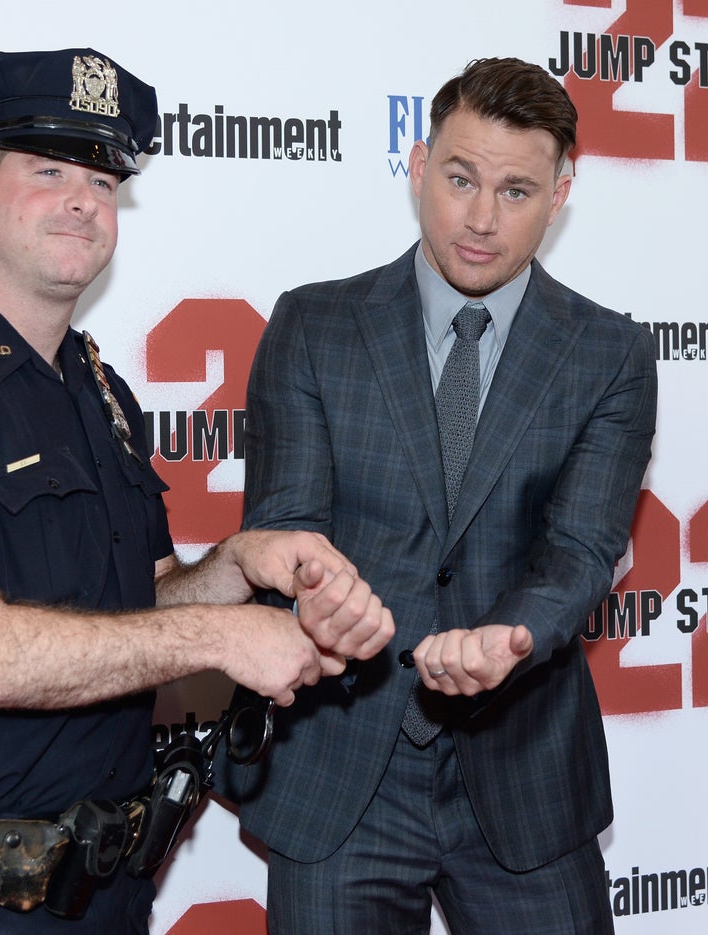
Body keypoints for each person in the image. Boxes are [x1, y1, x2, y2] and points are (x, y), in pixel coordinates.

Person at [0, 48, 394, 934]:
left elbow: (138, 603)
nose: (83, 200)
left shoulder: (100, 390)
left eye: (104, 182)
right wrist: (224, 633)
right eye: (48, 172)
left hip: (105, 887)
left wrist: (239, 564)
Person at [222, 57, 658, 934]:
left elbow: (580, 548)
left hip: (525, 770)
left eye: (517, 190)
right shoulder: (313, 325)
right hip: (342, 764)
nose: (483, 219)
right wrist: (322, 599)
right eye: (460, 179)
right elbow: (284, 525)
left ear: (561, 194)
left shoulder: (609, 354)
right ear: (418, 168)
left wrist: (514, 634)